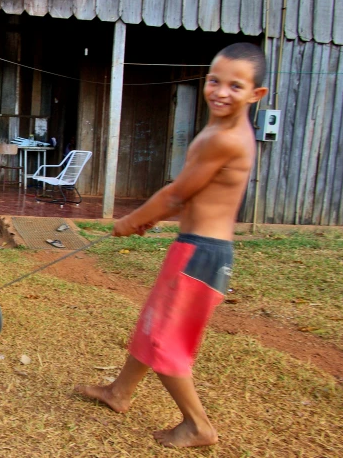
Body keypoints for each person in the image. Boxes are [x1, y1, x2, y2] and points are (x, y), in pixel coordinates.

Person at [74, 43, 268, 448]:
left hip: (201, 253)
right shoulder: (222, 130)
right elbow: (196, 195)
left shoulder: (226, 139)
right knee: (152, 324)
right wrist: (149, 218)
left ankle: (198, 425)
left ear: (256, 95)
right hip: (195, 247)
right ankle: (118, 392)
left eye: (236, 85)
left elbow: (178, 195)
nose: (220, 92)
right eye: (214, 81)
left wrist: (133, 219)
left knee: (165, 340)